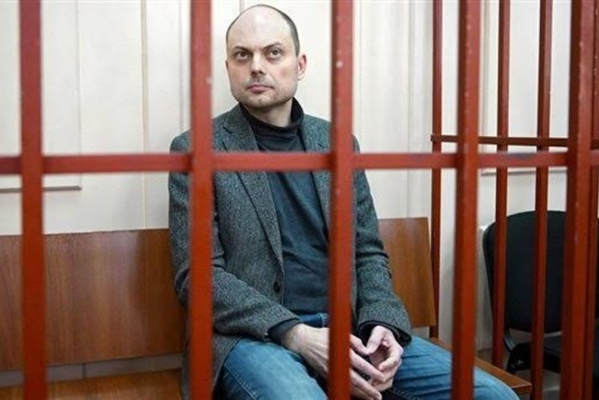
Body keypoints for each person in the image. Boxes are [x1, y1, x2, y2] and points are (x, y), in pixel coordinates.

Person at [169, 4, 518, 400]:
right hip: (254, 338)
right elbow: (197, 277)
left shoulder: (337, 143)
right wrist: (295, 333)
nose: (257, 67)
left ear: (300, 64)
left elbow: (368, 251)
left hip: (351, 329)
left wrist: (382, 324)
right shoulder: (197, 149)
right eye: (242, 55)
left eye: (273, 52)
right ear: (228, 67)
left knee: (494, 396)